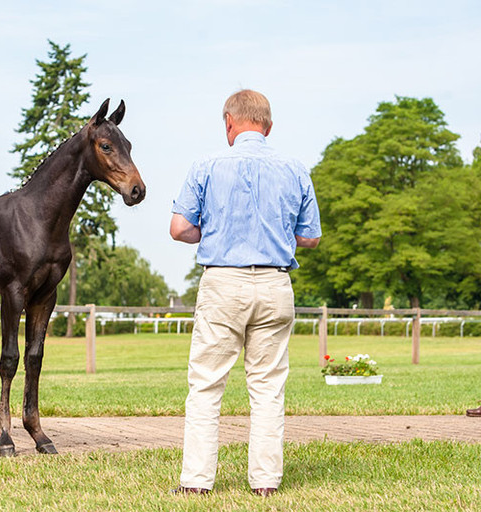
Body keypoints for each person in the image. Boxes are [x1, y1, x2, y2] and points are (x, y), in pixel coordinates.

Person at [169, 89, 321, 497]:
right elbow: (310, 237)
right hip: (275, 284)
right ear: (268, 127)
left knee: (205, 385)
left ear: (229, 123)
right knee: (268, 386)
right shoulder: (295, 169)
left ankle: (197, 482)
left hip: (223, 284)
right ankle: (266, 483)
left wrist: (216, 231)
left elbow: (179, 228)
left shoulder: (206, 164)